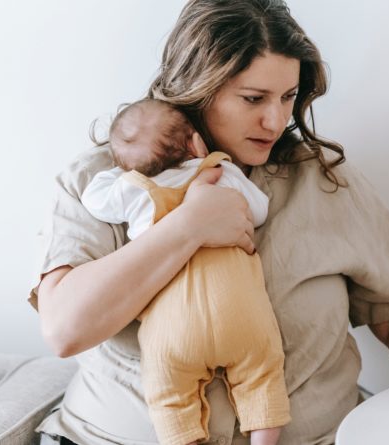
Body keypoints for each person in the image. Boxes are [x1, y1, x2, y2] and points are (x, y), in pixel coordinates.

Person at [30, 1, 389, 444]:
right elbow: (65, 329)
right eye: (253, 99)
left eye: (288, 97)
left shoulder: (324, 182)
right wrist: (186, 228)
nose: (276, 121)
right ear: (196, 89)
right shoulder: (104, 183)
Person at [80, 98, 289, 445]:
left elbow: (94, 198)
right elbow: (259, 210)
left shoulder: (134, 190)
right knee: (263, 376)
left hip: (173, 329)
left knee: (169, 397)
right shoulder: (221, 172)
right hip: (239, 313)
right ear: (195, 142)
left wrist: (124, 169)